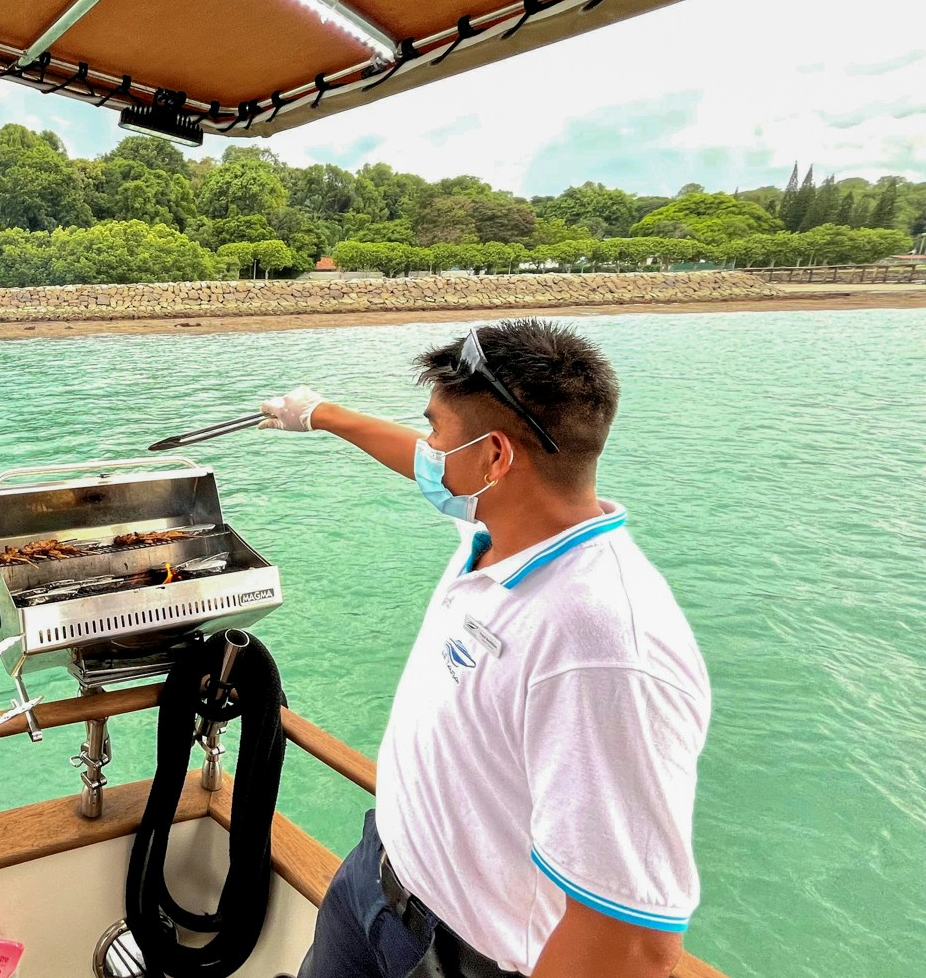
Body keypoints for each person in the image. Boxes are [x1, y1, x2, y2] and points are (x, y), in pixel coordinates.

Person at [261, 319, 710, 978]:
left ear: (495, 457)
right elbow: (422, 465)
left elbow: (630, 941)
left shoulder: (602, 646)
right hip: (374, 877)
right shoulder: (505, 525)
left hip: (454, 955)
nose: (429, 449)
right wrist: (320, 416)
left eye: (438, 430)